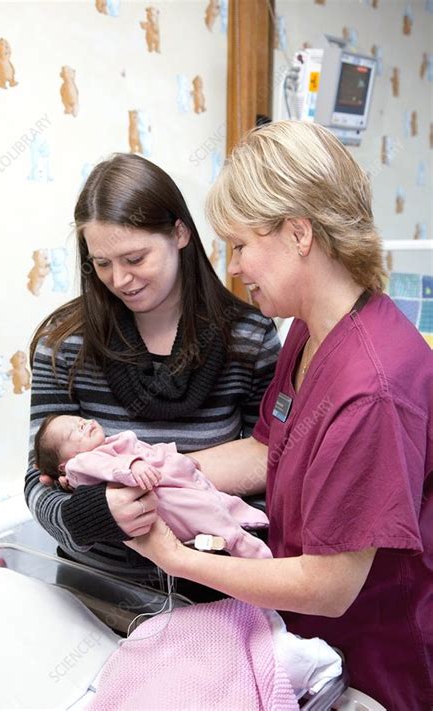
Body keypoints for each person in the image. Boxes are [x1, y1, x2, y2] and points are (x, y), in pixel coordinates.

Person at [122, 121, 433, 710]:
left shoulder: (374, 387)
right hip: (318, 648)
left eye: (239, 245)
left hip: (378, 664)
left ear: (298, 233)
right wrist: (157, 470)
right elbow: (270, 449)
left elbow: (329, 586)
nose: (234, 267)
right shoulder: (312, 330)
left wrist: (174, 557)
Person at [25, 152, 280, 593]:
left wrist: (163, 482)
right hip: (93, 586)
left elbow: (274, 466)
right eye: (102, 263)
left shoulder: (249, 337)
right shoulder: (62, 343)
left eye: (135, 258)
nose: (120, 279)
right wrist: (88, 515)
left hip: (215, 589)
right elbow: (40, 478)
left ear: (179, 233)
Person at [33, 413, 271, 558]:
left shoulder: (110, 443)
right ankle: (241, 543)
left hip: (175, 479)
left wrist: (176, 457)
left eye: (80, 421)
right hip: (160, 495)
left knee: (216, 500)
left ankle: (245, 519)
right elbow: (108, 468)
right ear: (63, 466)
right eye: (71, 433)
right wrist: (133, 466)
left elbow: (150, 450)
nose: (83, 425)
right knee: (202, 510)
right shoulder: (80, 463)